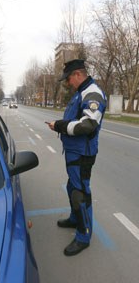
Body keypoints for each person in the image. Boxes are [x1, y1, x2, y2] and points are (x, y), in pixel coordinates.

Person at [47, 59, 107, 256]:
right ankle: (75, 218)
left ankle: (83, 235)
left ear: (78, 75)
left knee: (80, 192)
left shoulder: (92, 93)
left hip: (83, 153)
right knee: (73, 187)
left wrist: (60, 126)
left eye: (69, 78)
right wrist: (60, 124)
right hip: (74, 151)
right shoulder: (81, 92)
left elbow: (87, 125)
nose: (68, 83)